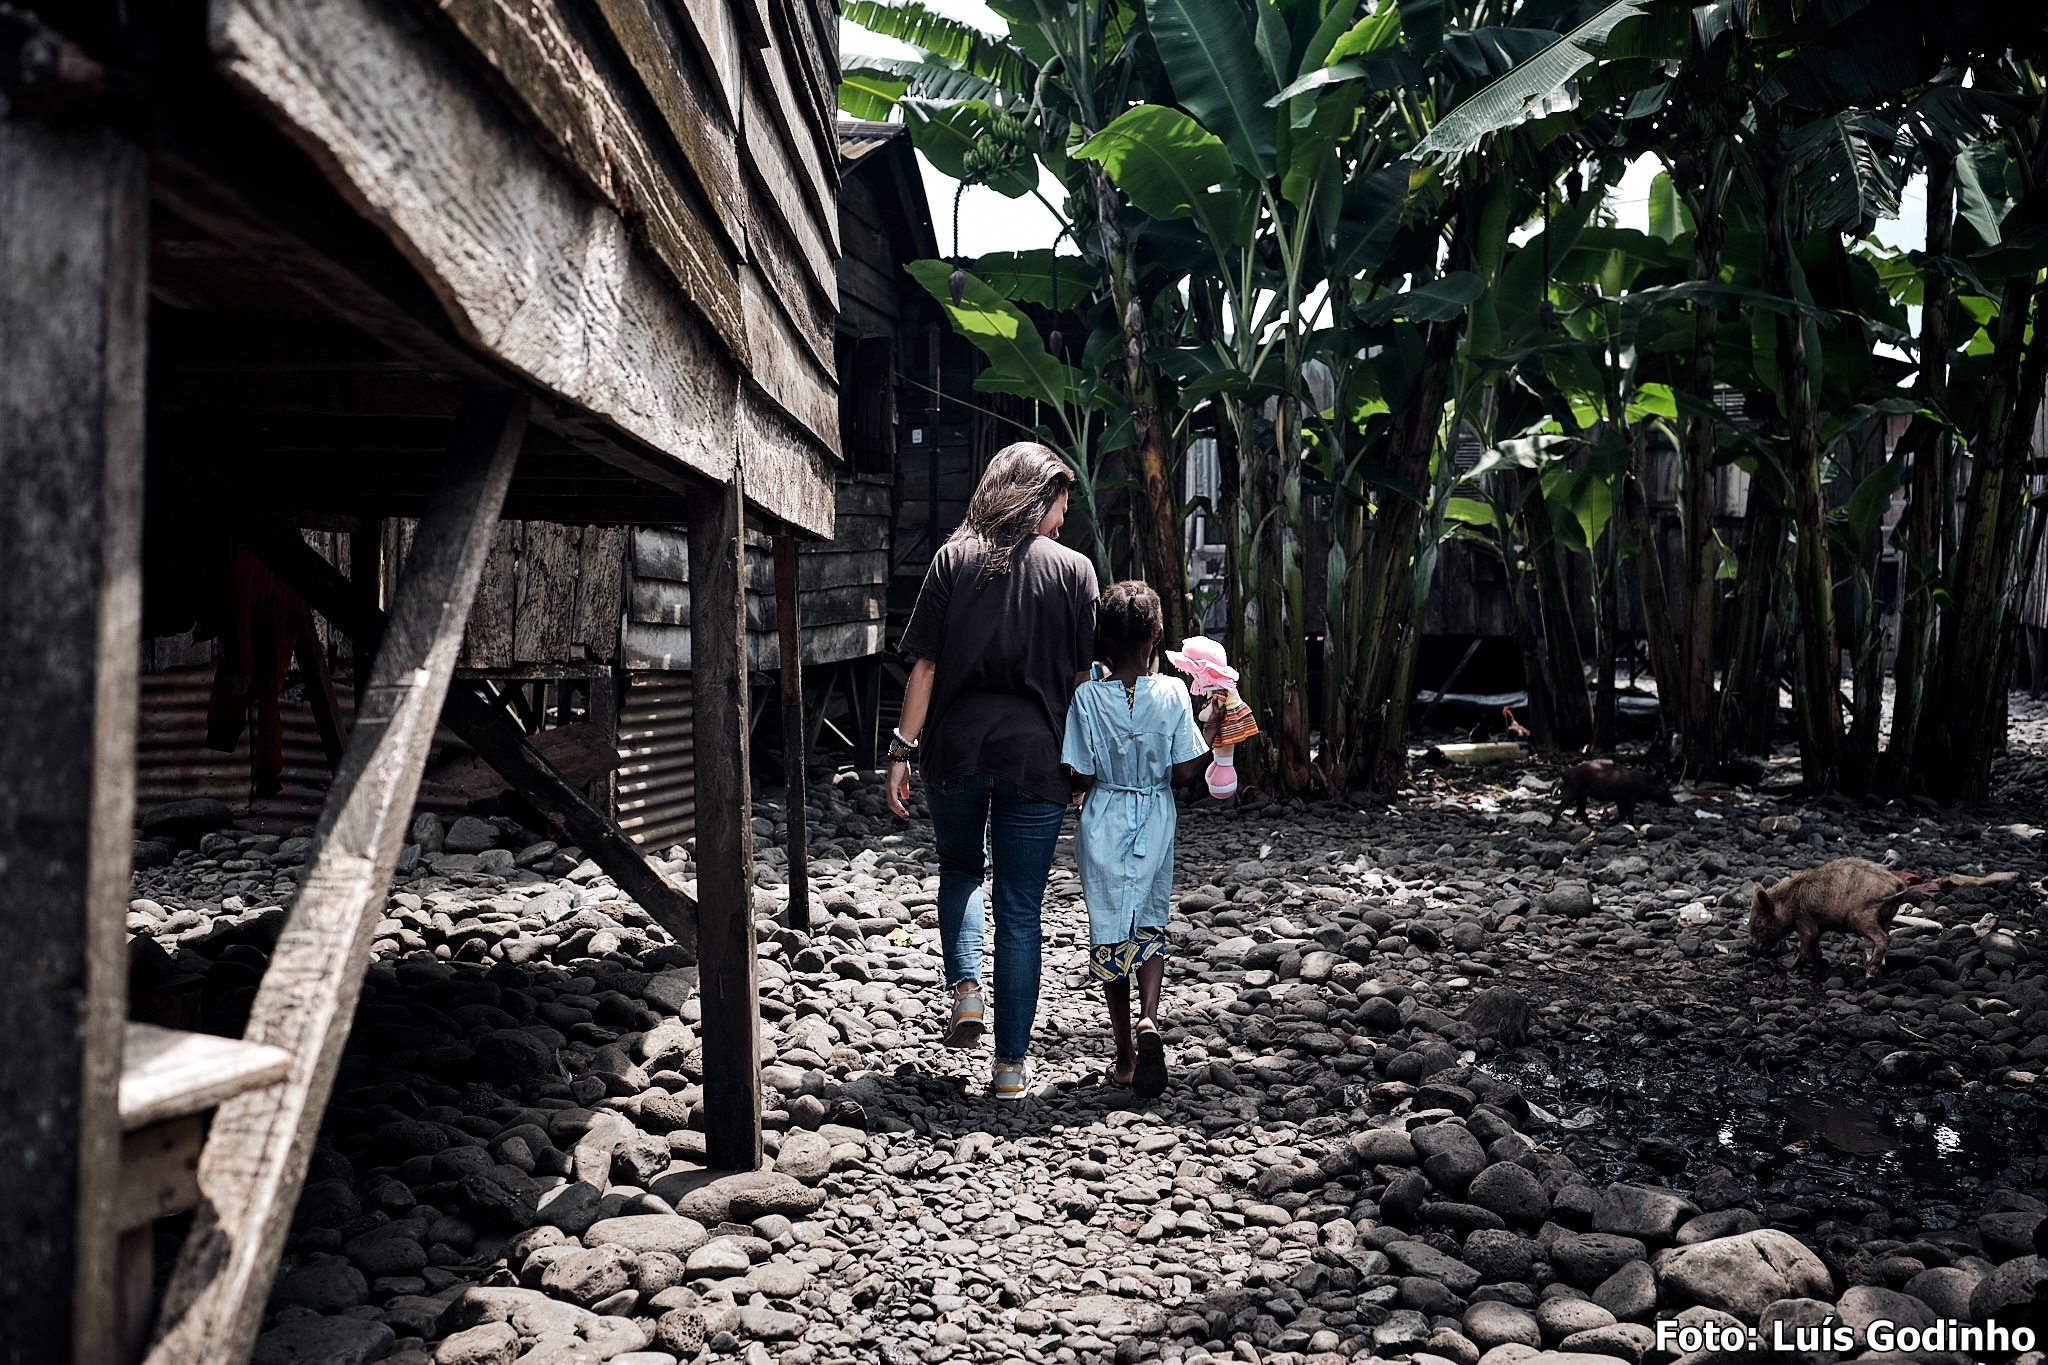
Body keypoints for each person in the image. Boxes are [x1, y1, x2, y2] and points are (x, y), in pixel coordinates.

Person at [887, 443, 1100, 1100]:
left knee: (959, 868)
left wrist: (900, 749)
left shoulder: (954, 558)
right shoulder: (1076, 572)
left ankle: (968, 992)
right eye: (1062, 502)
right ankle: (1010, 1068)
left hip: (953, 748)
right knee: (1019, 909)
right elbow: (1081, 679)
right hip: (1036, 756)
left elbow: (923, 667)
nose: (1065, 517)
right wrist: (1086, 760)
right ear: (1041, 495)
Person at [1061, 582, 1214, 1098]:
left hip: (1102, 813)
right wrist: (1211, 731)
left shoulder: (1086, 697)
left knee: (1109, 927)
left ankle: (1125, 1053)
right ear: (1157, 636)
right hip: (1154, 813)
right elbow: (1189, 773)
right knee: (1150, 918)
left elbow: (1078, 774)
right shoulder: (1172, 693)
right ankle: (1151, 1017)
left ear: (1102, 637)